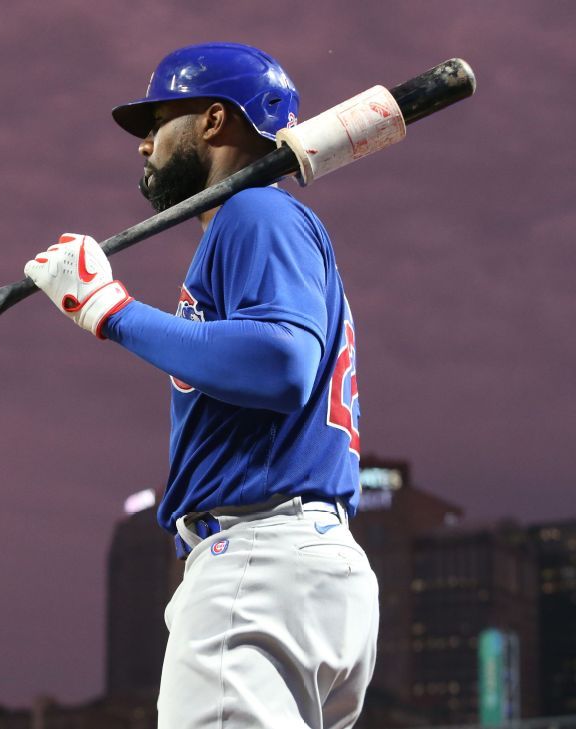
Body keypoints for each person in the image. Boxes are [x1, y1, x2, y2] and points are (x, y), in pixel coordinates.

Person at [22, 43, 378, 729]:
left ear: (215, 120)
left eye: (158, 121)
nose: (144, 145)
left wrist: (110, 311)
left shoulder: (255, 213)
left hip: (258, 558)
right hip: (302, 565)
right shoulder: (270, 227)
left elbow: (280, 364)